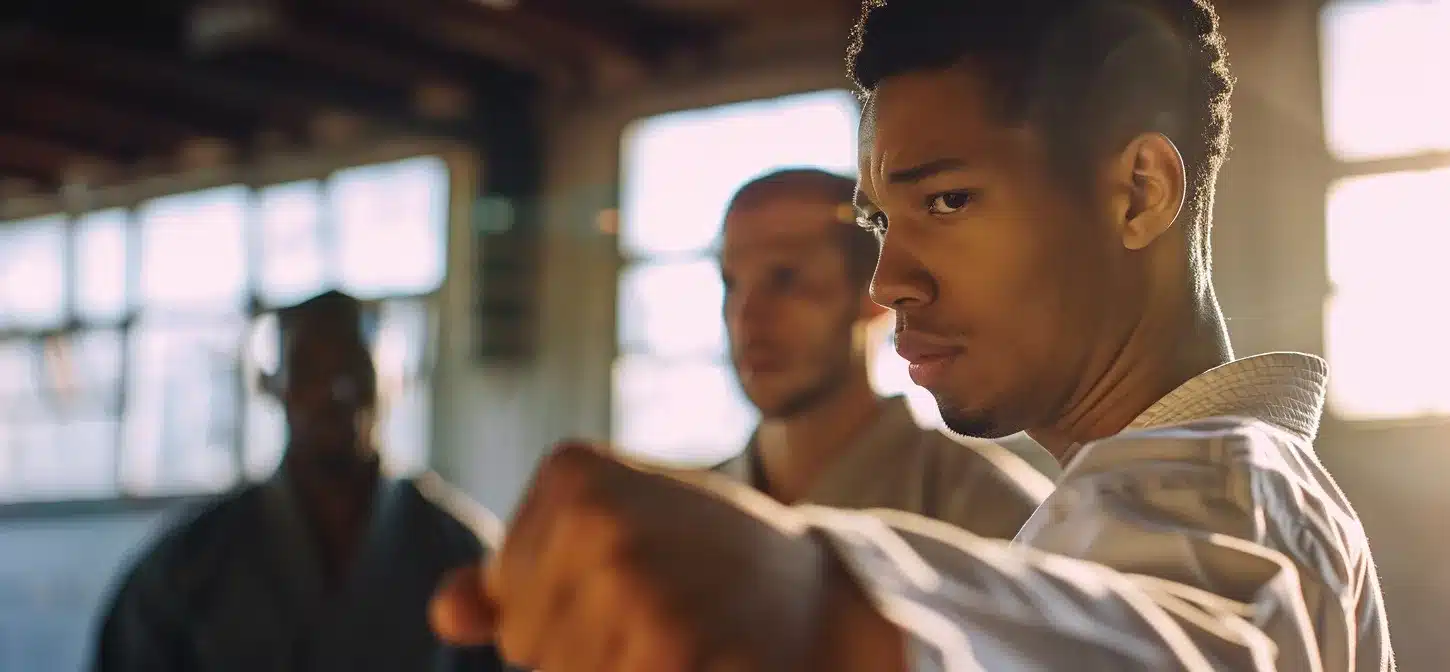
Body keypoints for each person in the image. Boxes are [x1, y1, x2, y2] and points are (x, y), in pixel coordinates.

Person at [430, 1, 1392, 670]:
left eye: (949, 198)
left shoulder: (1229, 496)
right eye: (887, 222)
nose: (891, 281)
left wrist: (816, 607)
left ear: (1138, 192)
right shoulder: (1154, 496)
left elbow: (1186, 644)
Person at [94, 290, 505, 672]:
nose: (335, 391)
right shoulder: (188, 566)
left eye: (354, 367)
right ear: (273, 385)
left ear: (393, 382)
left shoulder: (462, 555)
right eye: (309, 371)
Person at [714, 168, 1054, 539]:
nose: (746, 315)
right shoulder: (685, 515)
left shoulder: (993, 514)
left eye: (785, 278)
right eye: (731, 283)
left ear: (875, 293)